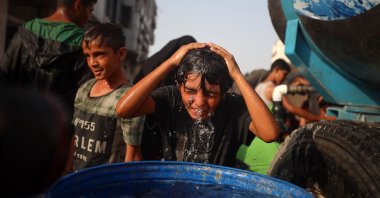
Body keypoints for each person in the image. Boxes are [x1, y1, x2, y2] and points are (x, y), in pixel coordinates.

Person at [116, 43, 279, 167]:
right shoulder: (171, 98)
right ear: (180, 86)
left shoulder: (233, 106)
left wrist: (236, 73)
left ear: (223, 93)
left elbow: (270, 134)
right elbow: (124, 109)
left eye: (210, 94)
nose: (200, 102)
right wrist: (171, 63)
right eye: (190, 91)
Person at [64, 23, 144, 173]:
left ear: (120, 54)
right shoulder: (85, 88)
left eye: (99, 54)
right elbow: (74, 138)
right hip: (76, 180)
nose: (92, 63)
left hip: (105, 184)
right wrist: (66, 173)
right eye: (88, 56)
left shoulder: (128, 99)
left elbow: (132, 156)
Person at [0, 0, 97, 118]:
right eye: (89, 10)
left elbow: (4, 76)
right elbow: (84, 94)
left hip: (17, 121)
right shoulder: (84, 43)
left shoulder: (25, 31)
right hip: (56, 127)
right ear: (77, 5)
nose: (89, 17)